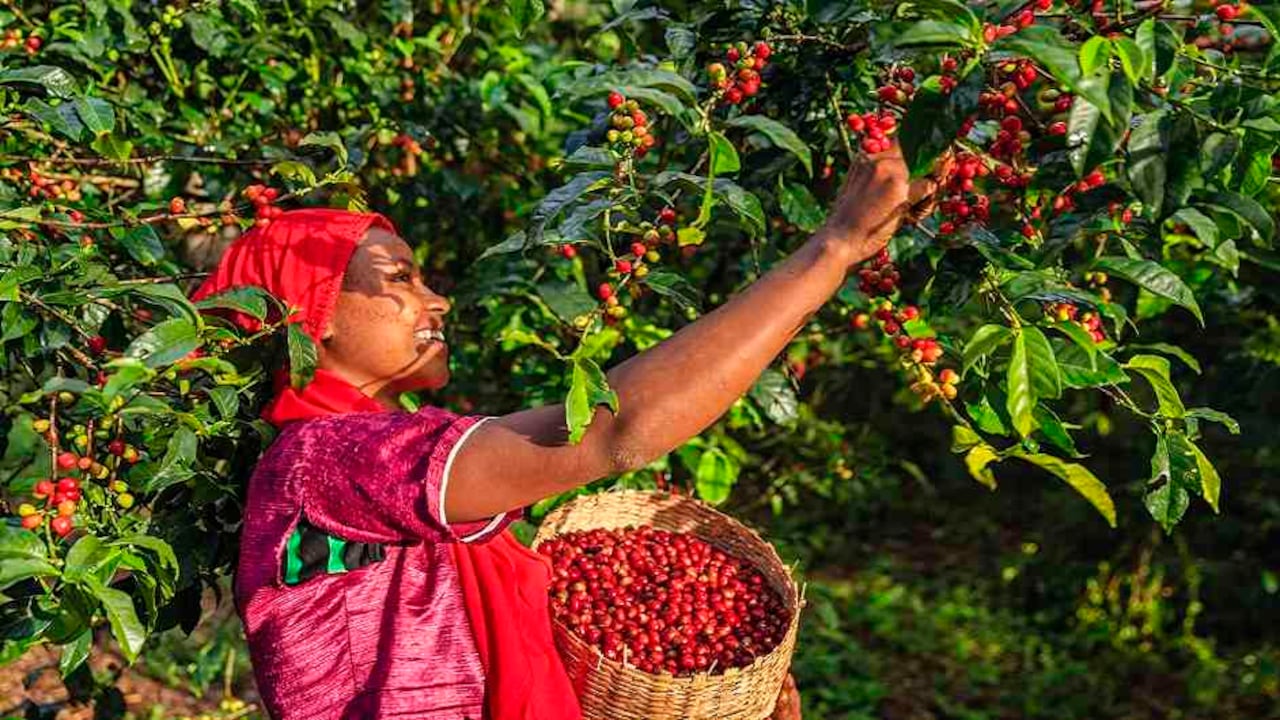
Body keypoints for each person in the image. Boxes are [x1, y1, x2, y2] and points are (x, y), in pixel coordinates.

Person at [193, 143, 927, 720]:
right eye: (402, 278)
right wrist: (830, 251)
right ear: (306, 314)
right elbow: (619, 430)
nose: (436, 298)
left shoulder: (380, 449)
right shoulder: (324, 459)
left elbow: (501, 656)